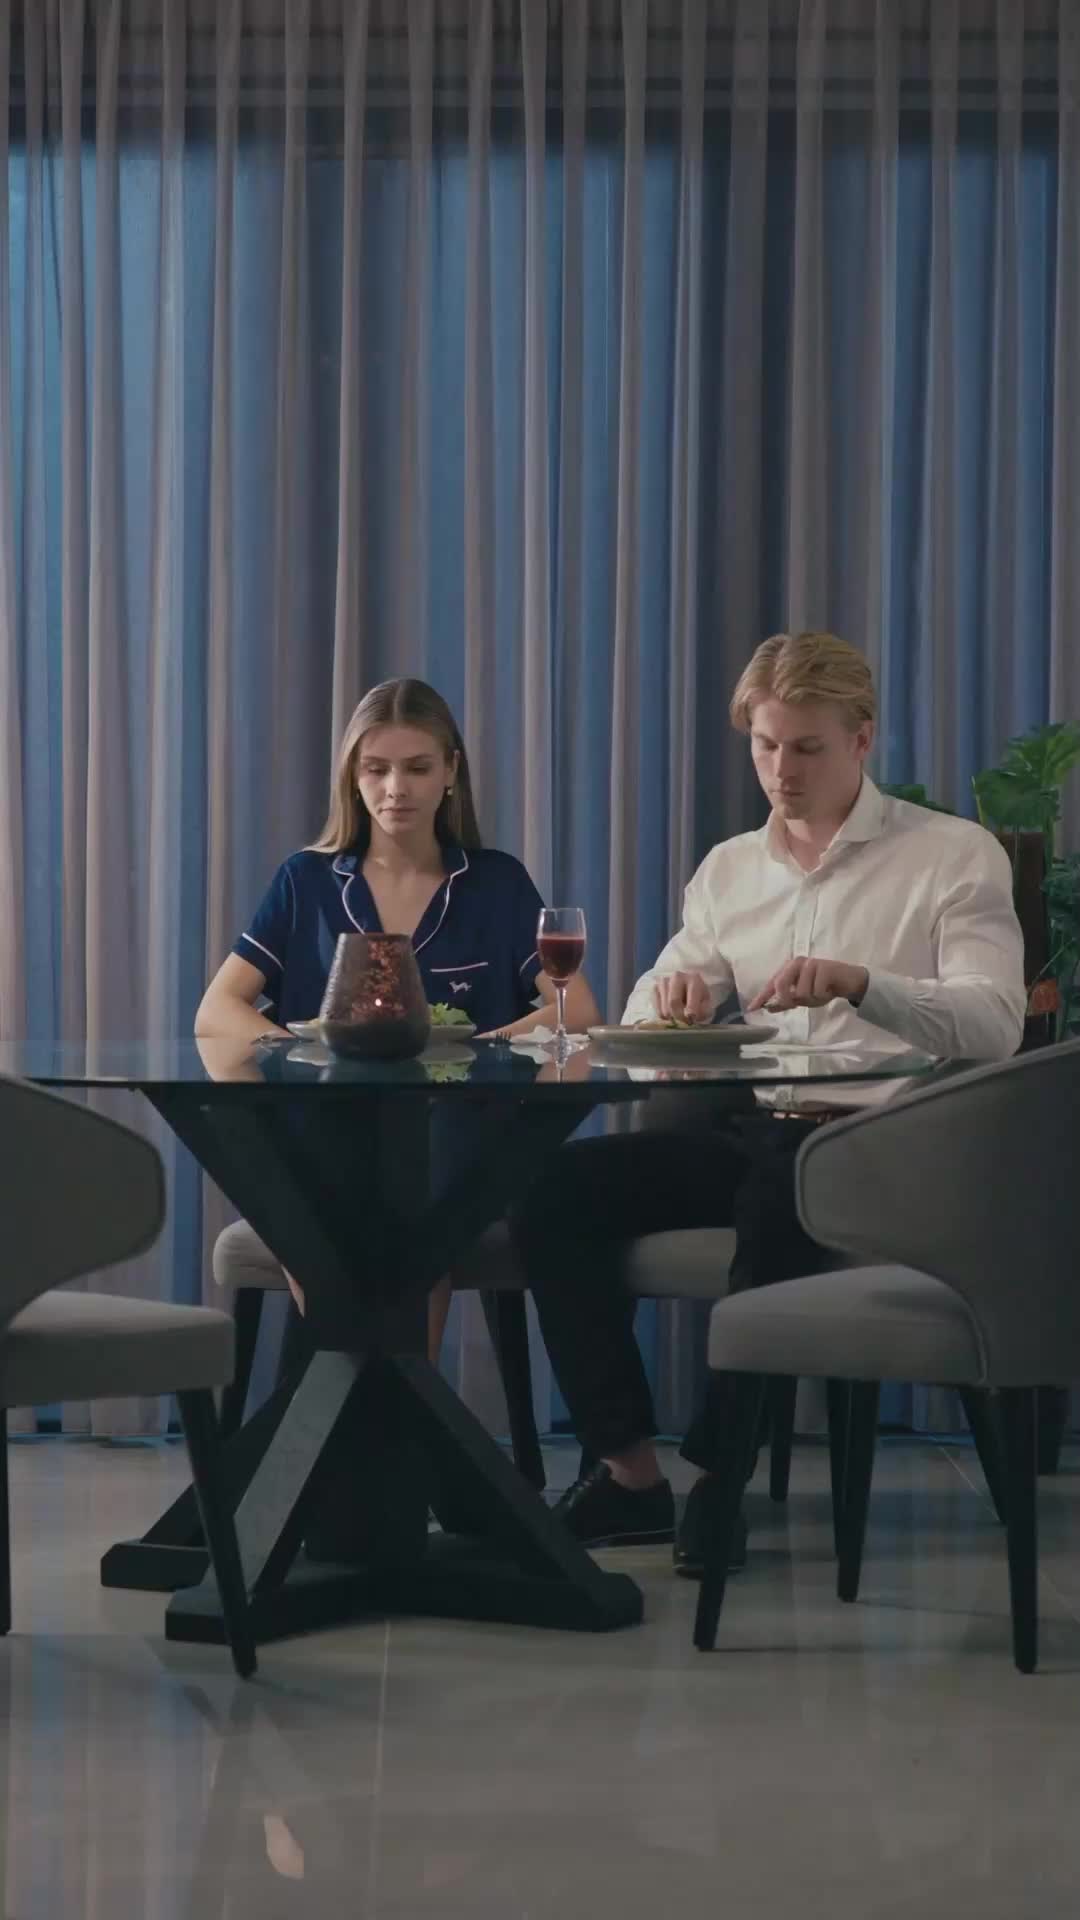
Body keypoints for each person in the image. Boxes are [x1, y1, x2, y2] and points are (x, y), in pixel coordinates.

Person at [509, 631, 1026, 1574]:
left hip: (889, 1146)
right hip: (757, 1133)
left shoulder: (953, 856)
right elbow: (643, 1012)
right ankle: (629, 1473)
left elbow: (995, 1025)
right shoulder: (729, 870)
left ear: (861, 740)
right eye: (765, 745)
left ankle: (718, 1478)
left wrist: (864, 984)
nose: (781, 771)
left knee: (776, 1190)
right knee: (555, 1190)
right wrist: (668, 1004)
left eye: (807, 748)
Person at [196, 675, 600, 1356]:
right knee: (312, 1200)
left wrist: (476, 1046)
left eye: (417, 768)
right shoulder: (308, 880)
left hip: (456, 1126)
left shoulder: (495, 882)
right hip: (327, 1122)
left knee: (408, 1212)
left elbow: (577, 1010)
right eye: (376, 769)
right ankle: (385, 1402)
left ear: (450, 772)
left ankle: (368, 1400)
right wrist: (298, 1046)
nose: (395, 789)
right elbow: (218, 1010)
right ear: (352, 777)